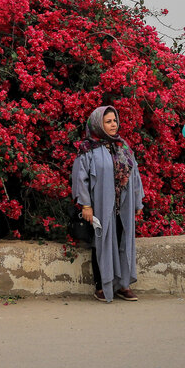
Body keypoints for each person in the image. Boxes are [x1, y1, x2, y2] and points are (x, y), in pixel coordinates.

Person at [71, 106, 145, 303]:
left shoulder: (123, 146)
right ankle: (102, 285)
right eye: (108, 122)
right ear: (98, 124)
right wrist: (86, 205)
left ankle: (123, 285)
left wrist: (137, 201)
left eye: (114, 121)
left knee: (123, 241)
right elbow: (81, 178)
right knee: (102, 243)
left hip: (124, 205)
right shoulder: (88, 148)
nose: (113, 125)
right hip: (102, 205)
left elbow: (134, 174)